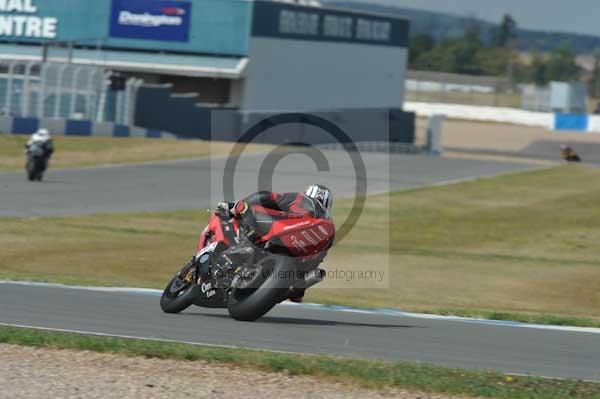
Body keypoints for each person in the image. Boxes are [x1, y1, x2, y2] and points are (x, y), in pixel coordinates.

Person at [217, 184, 334, 302]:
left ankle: (242, 243)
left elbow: (269, 197)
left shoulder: (303, 199)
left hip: (281, 229)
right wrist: (299, 289)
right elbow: (315, 261)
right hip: (295, 258)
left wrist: (242, 204)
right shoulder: (327, 227)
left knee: (245, 207)